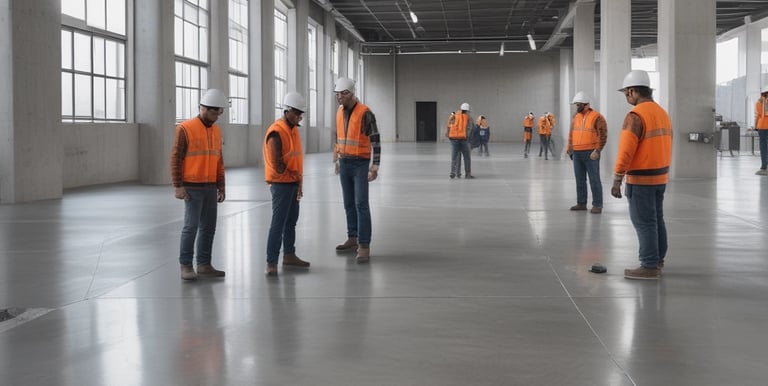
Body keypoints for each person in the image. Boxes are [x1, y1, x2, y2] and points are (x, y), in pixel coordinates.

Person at [611, 70, 672, 280]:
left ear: (632, 91)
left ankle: (648, 265)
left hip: (642, 179)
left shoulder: (635, 116)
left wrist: (618, 178)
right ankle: (657, 259)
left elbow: (626, 151)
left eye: (626, 93)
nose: (627, 97)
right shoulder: (661, 112)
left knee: (644, 222)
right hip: (660, 177)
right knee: (657, 219)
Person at [170, 89, 227, 281]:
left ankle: (204, 265)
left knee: (209, 227)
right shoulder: (185, 129)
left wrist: (221, 186)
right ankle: (186, 265)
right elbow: (176, 158)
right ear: (202, 108)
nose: (216, 116)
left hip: (210, 186)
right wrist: (178, 186)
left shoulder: (216, 131)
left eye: (219, 112)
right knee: (191, 226)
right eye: (213, 112)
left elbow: (219, 160)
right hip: (192, 186)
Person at [333, 77, 381, 263]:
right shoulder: (339, 112)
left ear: (351, 93)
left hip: (360, 164)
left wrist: (374, 165)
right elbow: (339, 136)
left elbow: (375, 139)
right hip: (345, 163)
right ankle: (352, 238)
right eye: (337, 94)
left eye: (342, 94)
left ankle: (364, 245)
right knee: (348, 203)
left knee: (361, 204)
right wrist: (337, 158)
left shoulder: (365, 113)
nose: (339, 97)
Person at [263, 92, 311, 276]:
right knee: (278, 223)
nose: (299, 117)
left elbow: (296, 159)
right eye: (297, 113)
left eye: (301, 114)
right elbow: (278, 165)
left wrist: (299, 182)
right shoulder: (276, 132)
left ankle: (289, 255)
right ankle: (271, 262)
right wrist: (293, 176)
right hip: (281, 184)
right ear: (287, 110)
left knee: (291, 221)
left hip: (292, 183)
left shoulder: (293, 130)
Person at [566, 92, 608, 214]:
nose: (576, 107)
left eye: (578, 105)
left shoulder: (597, 117)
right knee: (580, 180)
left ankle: (597, 205)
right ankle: (581, 203)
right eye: (576, 104)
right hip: (577, 153)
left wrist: (598, 150)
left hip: (591, 153)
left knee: (594, 179)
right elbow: (571, 134)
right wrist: (570, 149)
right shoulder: (576, 117)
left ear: (586, 105)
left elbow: (603, 135)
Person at [446, 103, 474, 179]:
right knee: (467, 157)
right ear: (468, 110)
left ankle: (454, 173)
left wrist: (450, 137)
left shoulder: (454, 116)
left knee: (455, 157)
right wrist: (469, 140)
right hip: (464, 140)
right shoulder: (469, 118)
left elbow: (449, 126)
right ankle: (467, 174)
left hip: (454, 139)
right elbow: (470, 129)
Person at [753, 86, 768, 175]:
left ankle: (764, 166)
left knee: (763, 146)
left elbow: (757, 115)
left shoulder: (759, 101)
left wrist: (756, 126)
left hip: (762, 125)